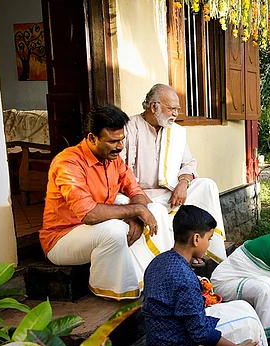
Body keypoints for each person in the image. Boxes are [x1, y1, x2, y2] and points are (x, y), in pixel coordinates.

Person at [40, 104, 172, 300]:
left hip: (97, 229)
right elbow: (89, 214)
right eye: (112, 141)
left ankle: (160, 275)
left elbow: (135, 191)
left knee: (156, 210)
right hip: (62, 238)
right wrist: (134, 211)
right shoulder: (68, 163)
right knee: (115, 230)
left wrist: (136, 216)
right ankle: (114, 290)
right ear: (92, 138)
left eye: (121, 140)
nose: (119, 147)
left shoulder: (113, 158)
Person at [143, 205, 267, 346]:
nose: (208, 245)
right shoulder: (184, 278)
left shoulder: (161, 260)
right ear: (196, 239)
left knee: (244, 307)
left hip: (163, 337)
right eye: (209, 239)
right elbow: (200, 333)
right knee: (248, 330)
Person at [121, 83, 227, 265]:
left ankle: (199, 249)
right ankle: (175, 260)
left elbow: (189, 163)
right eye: (172, 108)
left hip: (170, 193)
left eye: (177, 109)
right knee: (158, 212)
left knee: (207, 185)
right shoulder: (130, 127)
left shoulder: (175, 131)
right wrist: (139, 196)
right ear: (154, 107)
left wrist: (183, 183)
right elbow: (120, 170)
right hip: (140, 195)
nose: (175, 114)